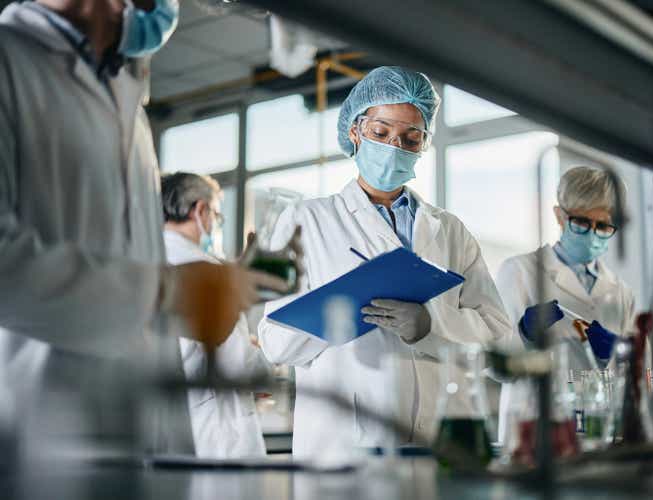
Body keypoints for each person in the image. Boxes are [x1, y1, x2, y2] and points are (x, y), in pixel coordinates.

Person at [0, 0, 288, 454]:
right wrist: (167, 293)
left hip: (148, 438)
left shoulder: (121, 89)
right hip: (44, 437)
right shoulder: (10, 64)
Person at [258, 66, 514, 458]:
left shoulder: (449, 230)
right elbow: (274, 342)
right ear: (355, 132)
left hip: (437, 442)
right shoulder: (303, 220)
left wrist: (432, 325)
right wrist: (338, 307)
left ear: (423, 145)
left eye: (410, 139)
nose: (394, 146)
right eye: (381, 133)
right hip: (344, 448)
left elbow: (497, 333)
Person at [494, 165, 645, 444]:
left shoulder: (621, 292)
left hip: (599, 432)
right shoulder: (520, 271)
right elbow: (497, 366)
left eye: (603, 226)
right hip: (534, 429)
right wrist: (524, 333)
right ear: (559, 216)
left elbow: (639, 382)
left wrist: (615, 356)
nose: (592, 233)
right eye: (582, 223)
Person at [162, 172, 275, 458]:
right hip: (217, 437)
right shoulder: (206, 269)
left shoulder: (145, 263)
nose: (215, 225)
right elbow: (243, 367)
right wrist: (262, 358)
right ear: (200, 210)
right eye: (216, 215)